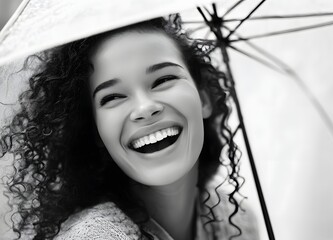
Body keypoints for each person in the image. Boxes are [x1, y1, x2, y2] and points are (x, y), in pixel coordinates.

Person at [0, 15, 259, 240]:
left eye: (163, 79)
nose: (145, 108)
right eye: (112, 97)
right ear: (96, 131)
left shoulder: (238, 219)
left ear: (204, 98)